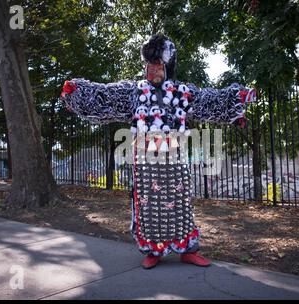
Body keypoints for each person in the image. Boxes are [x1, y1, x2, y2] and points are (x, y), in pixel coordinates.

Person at [61, 34, 255, 269]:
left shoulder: (181, 92)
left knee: (180, 202)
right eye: (150, 66)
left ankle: (188, 250)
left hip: (174, 156)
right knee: (148, 205)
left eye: (158, 66)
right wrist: (77, 92)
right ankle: (154, 251)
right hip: (145, 158)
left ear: (167, 67)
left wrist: (236, 101)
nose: (153, 71)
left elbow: (207, 101)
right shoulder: (134, 92)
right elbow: (106, 97)